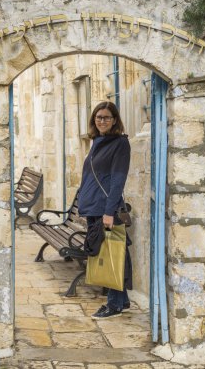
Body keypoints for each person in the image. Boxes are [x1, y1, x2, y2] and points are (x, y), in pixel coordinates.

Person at [78, 101, 132, 320]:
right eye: (98, 117)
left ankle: (113, 305)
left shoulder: (120, 144)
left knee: (112, 254)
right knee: (110, 252)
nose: (102, 121)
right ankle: (122, 300)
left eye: (107, 117)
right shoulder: (98, 141)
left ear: (115, 120)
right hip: (93, 207)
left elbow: (117, 180)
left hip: (105, 209)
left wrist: (109, 212)